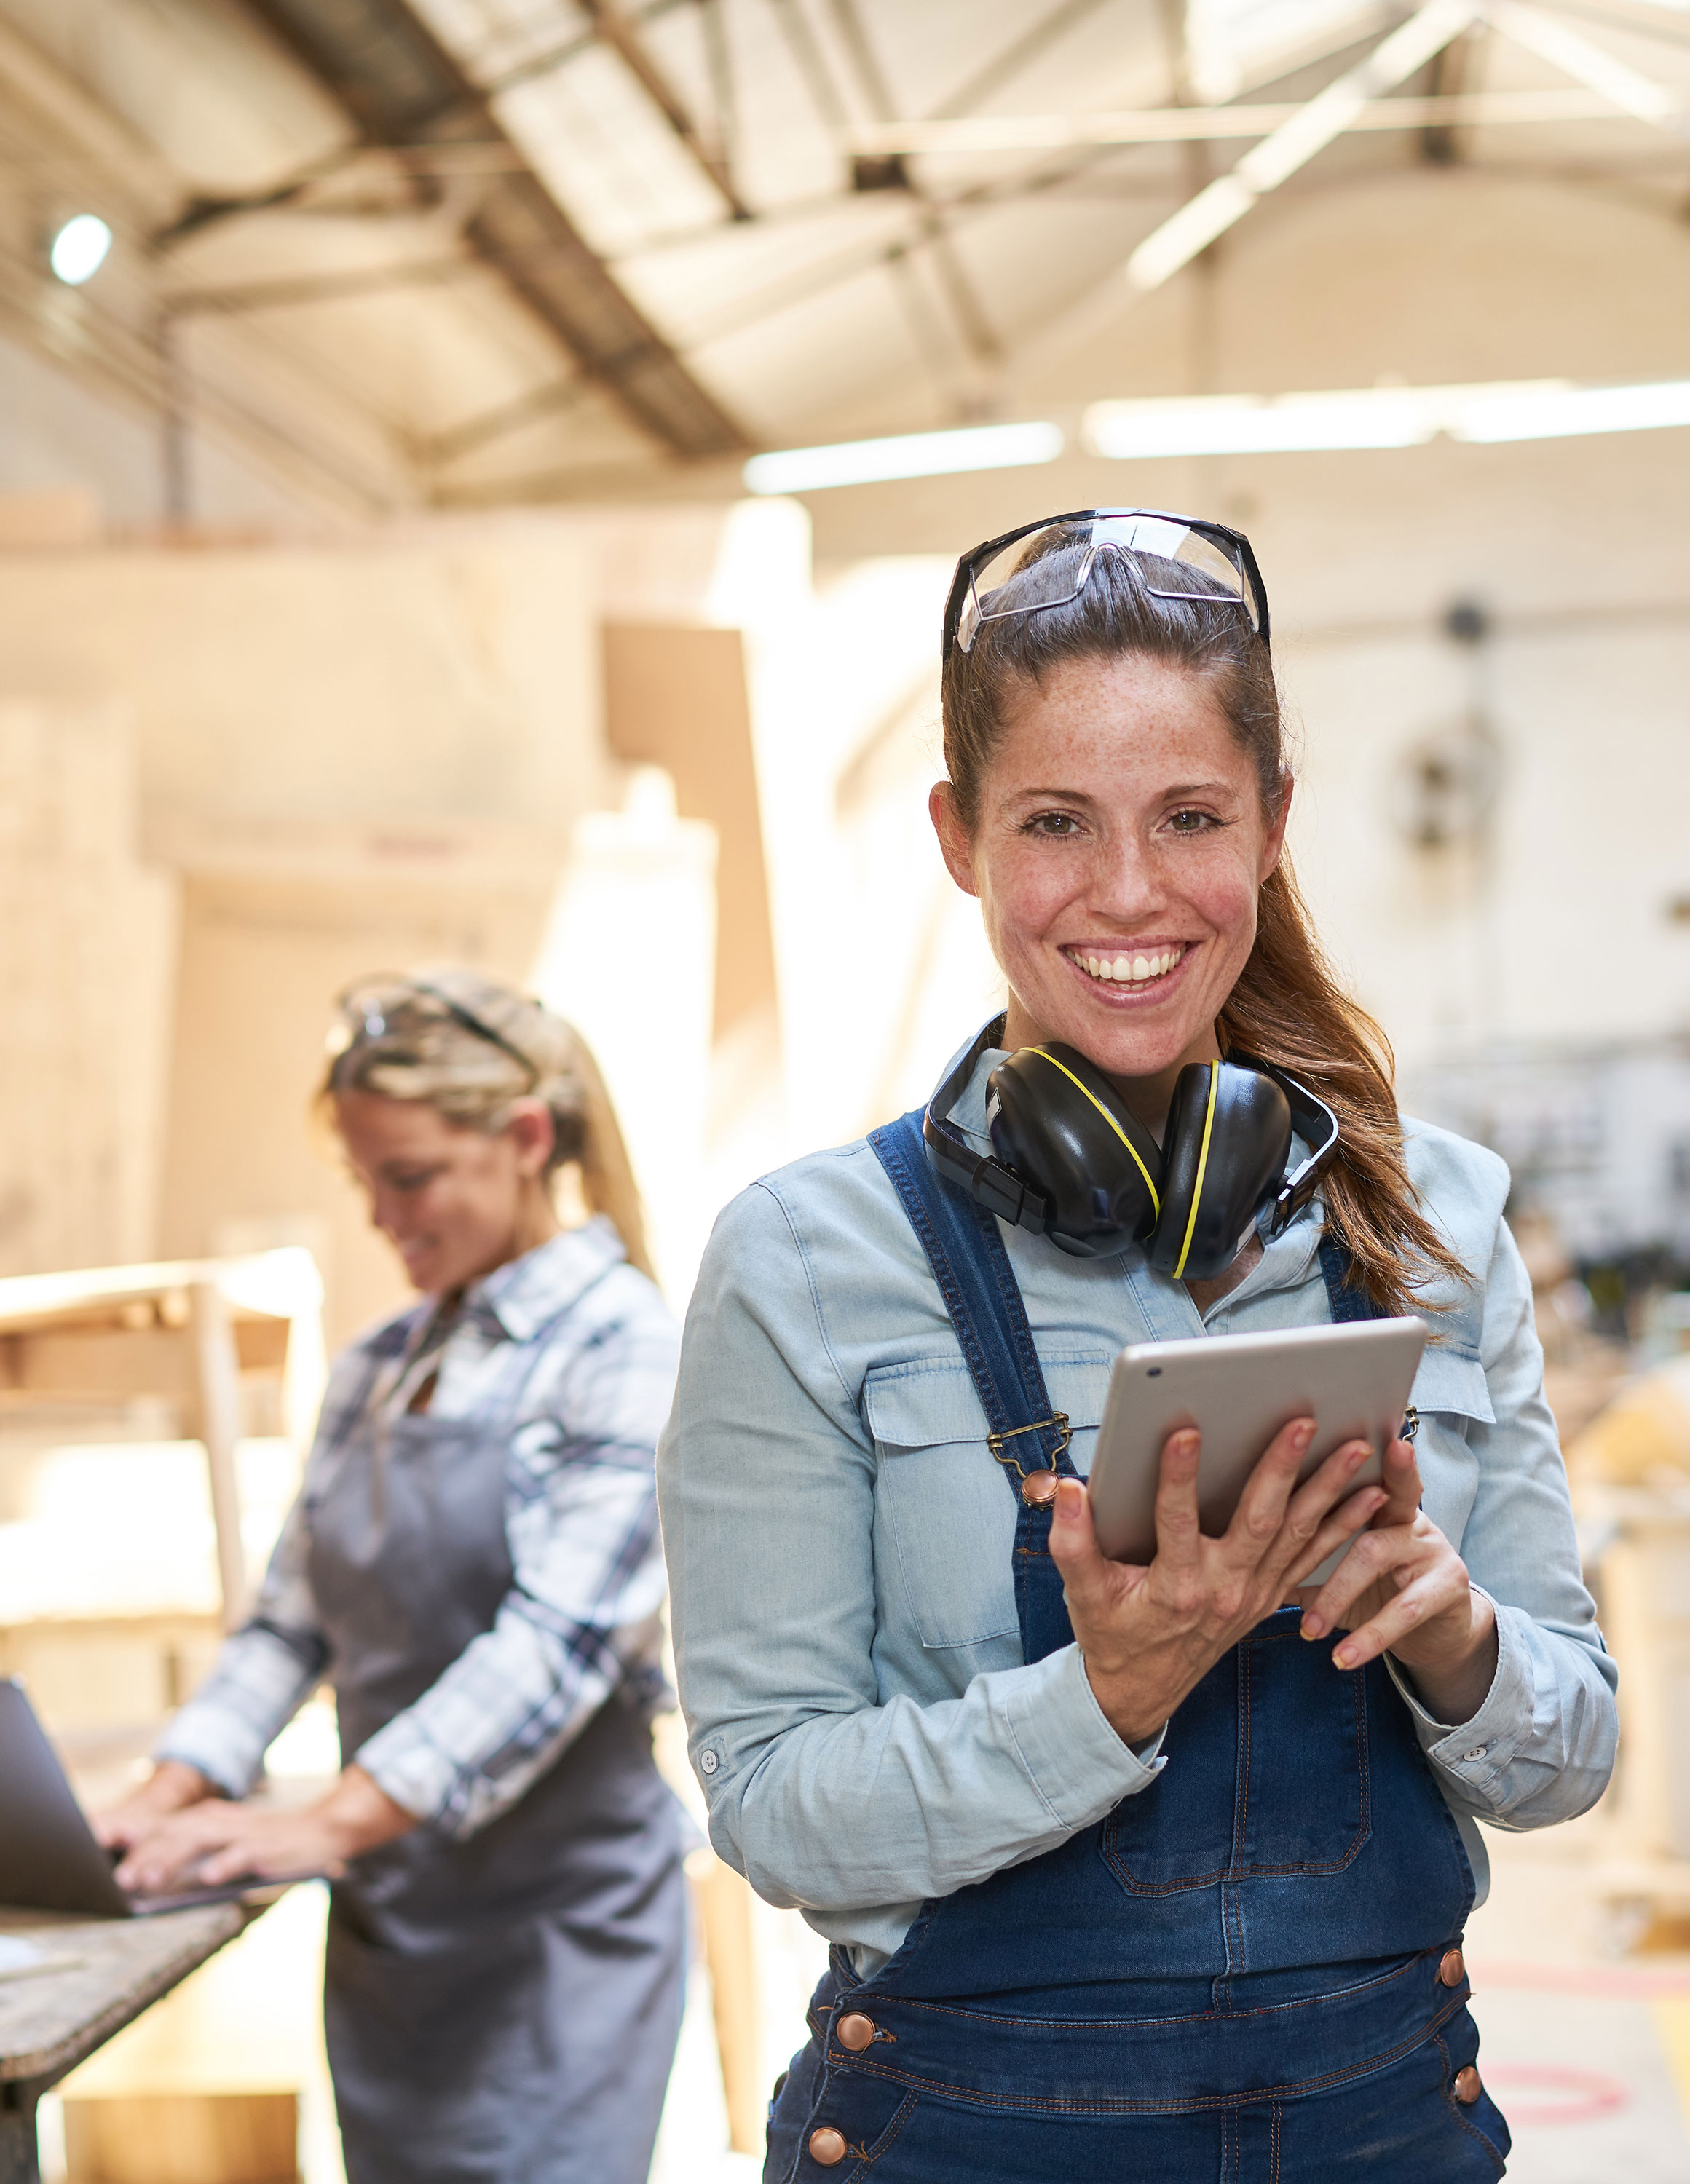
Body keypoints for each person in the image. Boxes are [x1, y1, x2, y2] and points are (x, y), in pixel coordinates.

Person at [657, 513, 1618, 2181]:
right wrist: (1103, 1696)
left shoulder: (1433, 1220)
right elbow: (771, 1804)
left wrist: (1455, 1634)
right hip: (965, 2141)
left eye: (1190, 818)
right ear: (958, 838)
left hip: (1383, 2131)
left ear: (1272, 830)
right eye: (1052, 822)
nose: (1126, 894)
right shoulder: (807, 1260)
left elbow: (1575, 1747)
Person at [99, 970, 686, 2184]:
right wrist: (166, 1790)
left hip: (552, 1948)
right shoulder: (378, 1364)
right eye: (365, 1179)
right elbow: (284, 1622)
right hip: (393, 1940)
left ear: (525, 1142)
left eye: (408, 1176)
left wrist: (321, 1820)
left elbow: (554, 1648)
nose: (379, 1215)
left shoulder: (622, 1349)